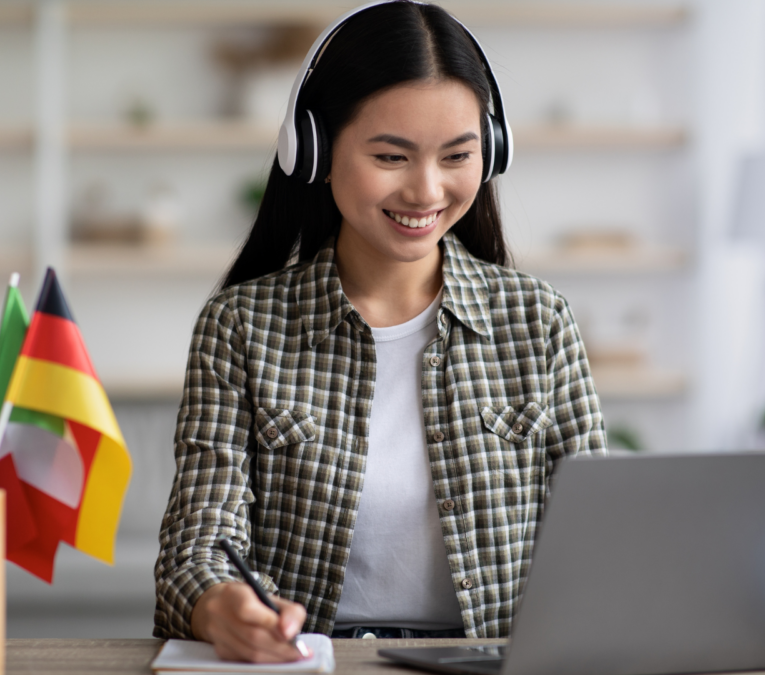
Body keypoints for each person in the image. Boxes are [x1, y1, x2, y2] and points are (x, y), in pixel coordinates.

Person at [153, 0, 606, 662]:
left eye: (457, 155)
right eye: (391, 155)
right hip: (312, 661)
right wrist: (220, 602)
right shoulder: (240, 328)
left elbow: (595, 540)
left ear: (493, 152)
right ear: (313, 151)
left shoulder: (539, 322)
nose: (426, 190)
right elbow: (198, 541)